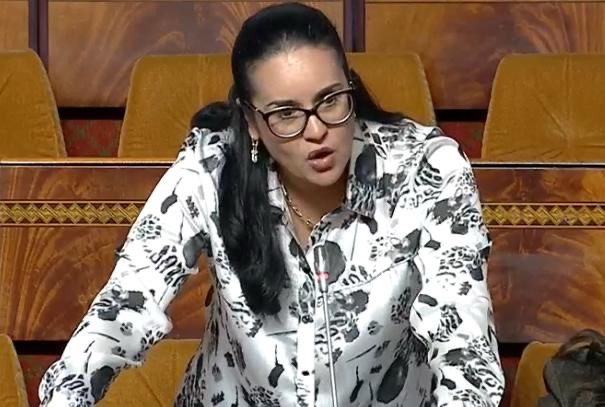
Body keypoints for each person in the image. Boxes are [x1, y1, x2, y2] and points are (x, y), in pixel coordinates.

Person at [39, 3, 505, 406]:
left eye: (330, 100)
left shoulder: (426, 169)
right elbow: (124, 306)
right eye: (286, 113)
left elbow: (463, 341)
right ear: (251, 122)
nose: (316, 130)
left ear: (350, 86)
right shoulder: (211, 167)